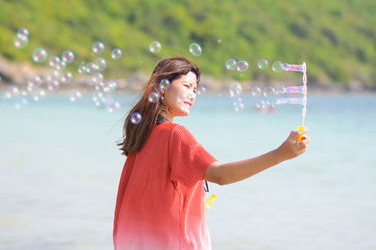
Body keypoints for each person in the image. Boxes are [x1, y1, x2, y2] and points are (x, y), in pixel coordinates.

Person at [113, 57, 310, 250]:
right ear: (162, 87)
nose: (192, 94)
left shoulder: (141, 136)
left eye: (195, 89)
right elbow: (220, 175)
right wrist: (281, 154)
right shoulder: (175, 134)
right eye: (187, 85)